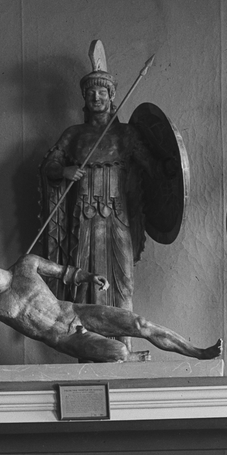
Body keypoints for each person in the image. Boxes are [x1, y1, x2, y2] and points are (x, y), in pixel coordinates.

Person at [0, 247, 218, 368]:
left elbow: (64, 272)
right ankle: (133, 359)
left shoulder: (26, 265)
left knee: (140, 324)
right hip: (65, 338)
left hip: (76, 312)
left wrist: (89, 277)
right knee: (118, 352)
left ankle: (198, 353)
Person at [39, 39, 141, 309]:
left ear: (112, 96)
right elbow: (49, 166)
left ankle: (125, 340)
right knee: (84, 278)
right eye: (91, 94)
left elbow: (148, 166)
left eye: (102, 93)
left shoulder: (126, 134)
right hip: (83, 214)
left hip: (118, 214)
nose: (97, 98)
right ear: (84, 99)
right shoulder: (73, 134)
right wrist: (64, 170)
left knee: (123, 278)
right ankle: (88, 340)